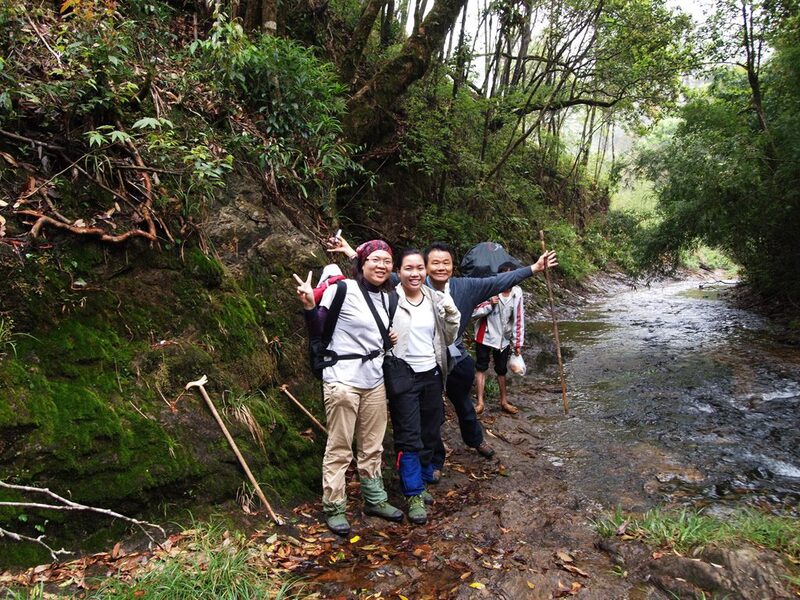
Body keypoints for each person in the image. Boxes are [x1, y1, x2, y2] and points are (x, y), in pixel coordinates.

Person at [293, 240, 403, 536]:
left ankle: (375, 499)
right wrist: (308, 306)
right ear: (362, 264)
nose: (381, 266)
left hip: (374, 378)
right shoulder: (341, 290)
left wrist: (387, 339)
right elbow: (318, 327)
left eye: (387, 261)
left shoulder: (390, 298)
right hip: (341, 378)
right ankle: (334, 507)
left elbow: (377, 334)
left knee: (372, 445)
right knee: (340, 446)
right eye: (375, 260)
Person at [423, 242, 557, 478]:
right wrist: (355, 255)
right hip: (424, 358)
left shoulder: (466, 287)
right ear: (425, 266)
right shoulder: (413, 284)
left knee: (464, 402)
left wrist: (533, 268)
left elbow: (498, 282)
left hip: (455, 355)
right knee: (431, 409)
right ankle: (435, 460)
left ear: (453, 267)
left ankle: (476, 440)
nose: (441, 267)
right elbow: (384, 276)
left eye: (446, 263)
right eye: (435, 263)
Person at [387, 249, 460, 524]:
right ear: (399, 271)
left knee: (430, 430)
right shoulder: (390, 299)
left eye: (419, 268)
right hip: (403, 376)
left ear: (425, 271)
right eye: (408, 268)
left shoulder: (434, 298)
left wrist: (452, 315)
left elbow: (447, 336)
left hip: (432, 373)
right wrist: (386, 338)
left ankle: (422, 476)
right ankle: (414, 494)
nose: (414, 273)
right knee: (408, 436)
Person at [471, 261, 525, 415]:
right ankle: (480, 402)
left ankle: (504, 401)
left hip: (504, 339)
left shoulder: (517, 293)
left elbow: (519, 318)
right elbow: (474, 312)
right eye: (504, 276)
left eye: (511, 277)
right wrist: (489, 303)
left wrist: (518, 342)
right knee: (481, 367)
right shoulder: (489, 288)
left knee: (501, 370)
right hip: (485, 336)